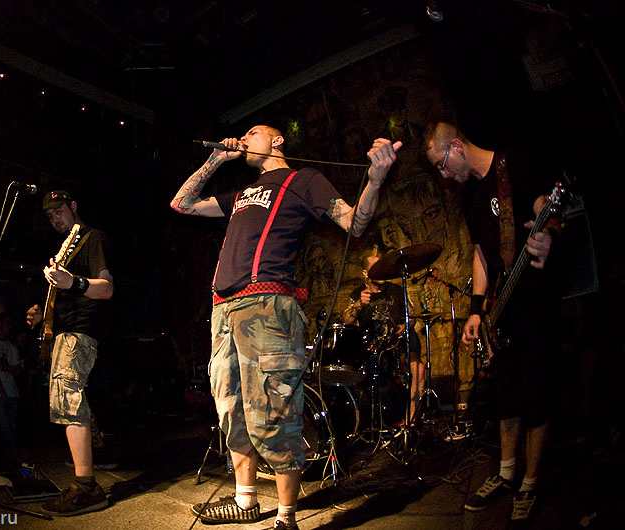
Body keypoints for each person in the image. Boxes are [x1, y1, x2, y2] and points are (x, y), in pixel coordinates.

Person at [171, 125, 401, 530]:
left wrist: (376, 179)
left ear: (277, 140)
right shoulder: (241, 194)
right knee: (231, 408)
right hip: (224, 309)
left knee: (273, 409)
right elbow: (182, 203)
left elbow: (354, 222)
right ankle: (245, 500)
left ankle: (286, 517)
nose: (244, 138)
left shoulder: (304, 180)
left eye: (253, 132)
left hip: (267, 306)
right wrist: (217, 159)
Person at [423, 122, 559, 525]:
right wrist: (476, 310)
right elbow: (482, 255)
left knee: (536, 393)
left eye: (442, 164)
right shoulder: (471, 196)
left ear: (457, 146)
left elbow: (549, 213)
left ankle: (530, 482)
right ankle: (506, 473)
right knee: (507, 394)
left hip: (535, 300)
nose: (443, 174)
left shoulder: (514, 165)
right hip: (503, 307)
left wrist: (550, 236)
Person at [26, 190, 114, 517]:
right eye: (49, 216)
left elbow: (106, 288)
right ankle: (91, 462)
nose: (55, 219)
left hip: (81, 331)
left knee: (68, 399)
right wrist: (42, 314)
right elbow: (64, 293)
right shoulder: (66, 248)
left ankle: (86, 486)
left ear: (73, 207)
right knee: (69, 400)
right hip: (64, 331)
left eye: (59, 211)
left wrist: (73, 282)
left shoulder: (93, 238)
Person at [342, 250, 425, 424]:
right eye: (376, 267)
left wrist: (405, 326)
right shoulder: (358, 294)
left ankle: (409, 422)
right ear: (365, 273)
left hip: (397, 347)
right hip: (371, 351)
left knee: (418, 369)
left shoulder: (396, 291)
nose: (382, 270)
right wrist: (359, 304)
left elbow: (412, 317)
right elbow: (346, 320)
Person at [0, 312, 22, 468]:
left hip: (12, 392)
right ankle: (14, 455)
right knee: (4, 426)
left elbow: (17, 370)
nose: (9, 327)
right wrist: (2, 394)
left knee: (10, 427)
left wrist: (2, 366)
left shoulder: (11, 346)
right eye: (7, 323)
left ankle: (10, 460)